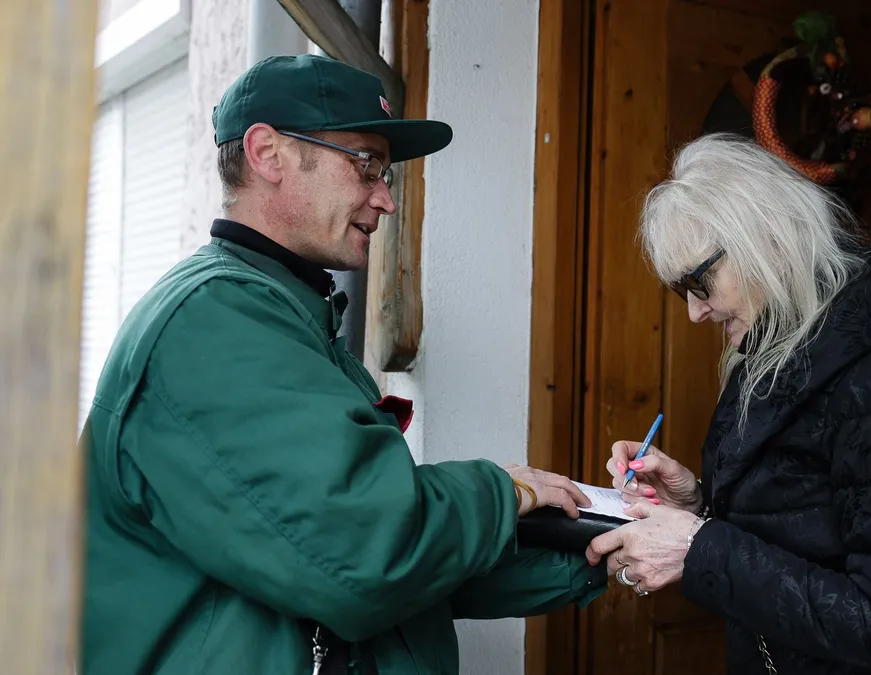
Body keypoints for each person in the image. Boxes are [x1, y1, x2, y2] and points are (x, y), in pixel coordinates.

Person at [80, 54, 608, 675]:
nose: (385, 199)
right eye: (365, 164)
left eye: (385, 172)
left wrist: (600, 545)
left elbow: (407, 565)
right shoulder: (214, 321)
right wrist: (501, 491)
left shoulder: (289, 315)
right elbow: (366, 554)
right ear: (267, 153)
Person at [586, 133, 871, 674]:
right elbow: (806, 524)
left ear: (767, 237)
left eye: (700, 282)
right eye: (682, 291)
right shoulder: (781, 337)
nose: (695, 313)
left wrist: (697, 548)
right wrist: (696, 506)